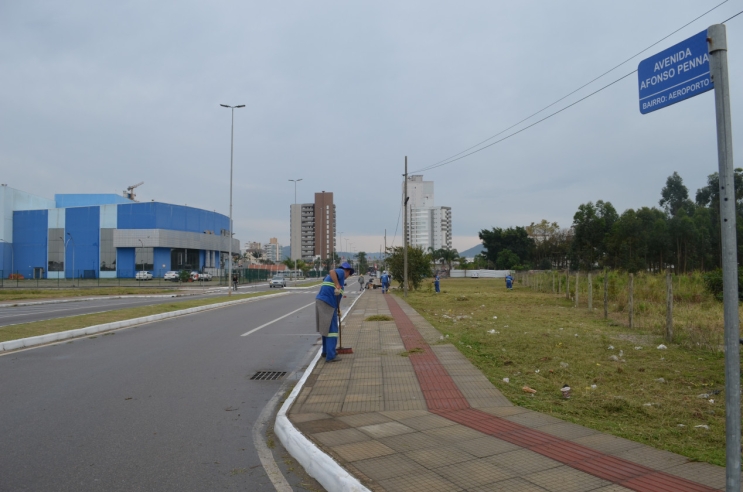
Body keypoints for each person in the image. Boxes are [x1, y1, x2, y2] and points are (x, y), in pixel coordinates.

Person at [316, 261, 355, 362]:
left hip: (323, 301)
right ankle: (331, 355)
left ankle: (326, 352)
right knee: (332, 330)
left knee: (326, 328)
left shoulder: (339, 278)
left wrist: (338, 309)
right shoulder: (341, 272)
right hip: (327, 302)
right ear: (347, 271)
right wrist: (337, 284)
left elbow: (336, 296)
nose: (348, 276)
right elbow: (331, 271)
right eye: (349, 274)